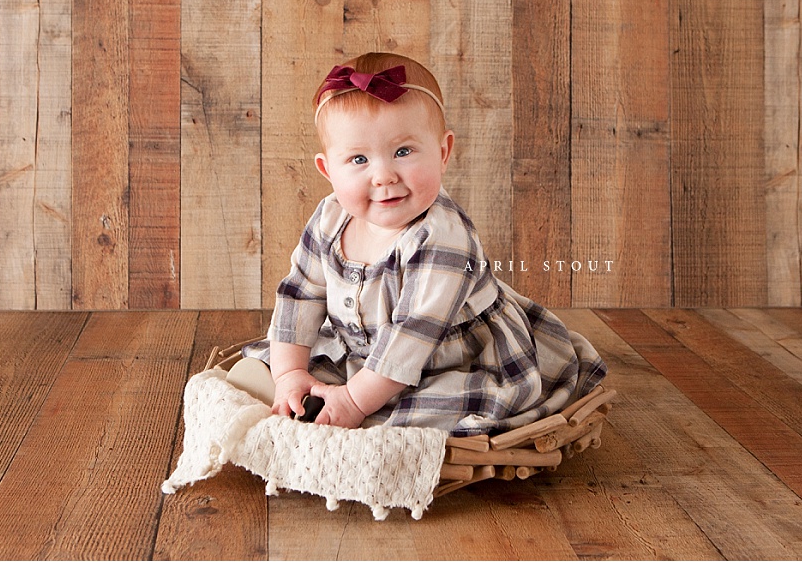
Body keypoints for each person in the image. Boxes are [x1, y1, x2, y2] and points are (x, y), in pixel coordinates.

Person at [243, 52, 606, 436]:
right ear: (328, 170)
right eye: (359, 159)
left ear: (443, 152)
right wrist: (290, 374)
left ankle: (369, 423)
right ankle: (301, 393)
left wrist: (352, 401)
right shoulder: (331, 218)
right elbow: (300, 293)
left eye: (403, 152)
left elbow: (411, 337)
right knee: (284, 360)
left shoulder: (443, 236)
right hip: (366, 352)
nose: (383, 176)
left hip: (449, 358)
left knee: (418, 418)